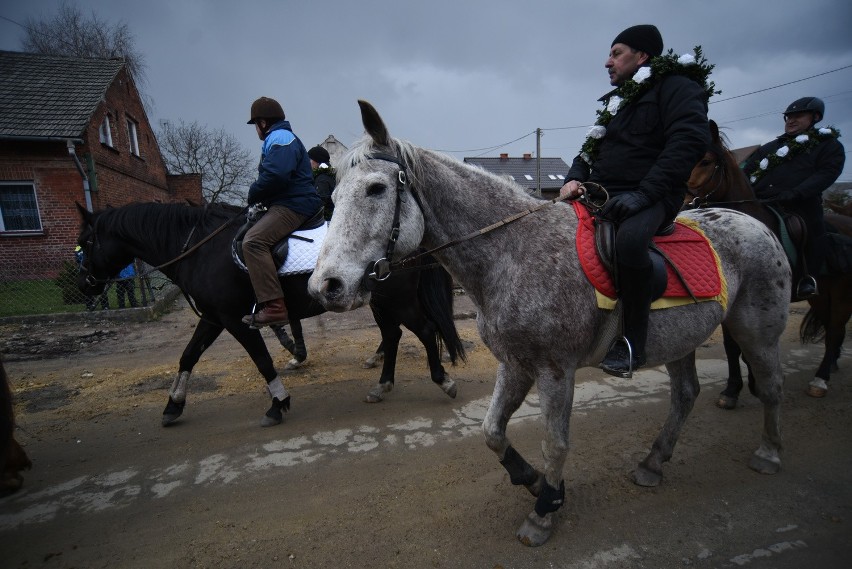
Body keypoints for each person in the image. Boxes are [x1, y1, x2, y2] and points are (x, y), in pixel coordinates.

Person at [560, 24, 711, 378]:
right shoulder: (616, 101)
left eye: (616, 53)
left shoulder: (678, 88)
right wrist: (572, 179)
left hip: (653, 194)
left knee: (629, 243)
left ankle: (632, 344)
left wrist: (644, 194)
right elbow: (589, 149)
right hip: (603, 193)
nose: (607, 62)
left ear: (641, 56)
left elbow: (686, 142)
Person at [740, 97, 845, 299]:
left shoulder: (828, 146)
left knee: (810, 230)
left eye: (798, 116)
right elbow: (747, 171)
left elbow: (826, 174)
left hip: (799, 204)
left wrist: (796, 192)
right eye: (789, 117)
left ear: (815, 117)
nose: (791, 120)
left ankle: (808, 278)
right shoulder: (770, 147)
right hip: (763, 202)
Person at [242, 96, 323, 327]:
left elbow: (276, 176)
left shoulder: (279, 137)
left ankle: (275, 307)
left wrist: (253, 192)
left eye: (255, 124)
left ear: (263, 122)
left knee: (253, 242)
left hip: (293, 205)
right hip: (288, 202)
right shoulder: (281, 137)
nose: (256, 129)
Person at [75, 245, 109, 310]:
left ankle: (105, 305)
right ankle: (89, 305)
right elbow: (78, 258)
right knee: (87, 288)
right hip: (86, 271)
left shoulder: (96, 245)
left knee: (101, 287)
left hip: (96, 271)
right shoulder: (79, 247)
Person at [308, 145, 336, 220]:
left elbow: (320, 202)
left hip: (325, 221)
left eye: (310, 159)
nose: (308, 163)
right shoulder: (327, 174)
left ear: (317, 161)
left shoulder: (322, 179)